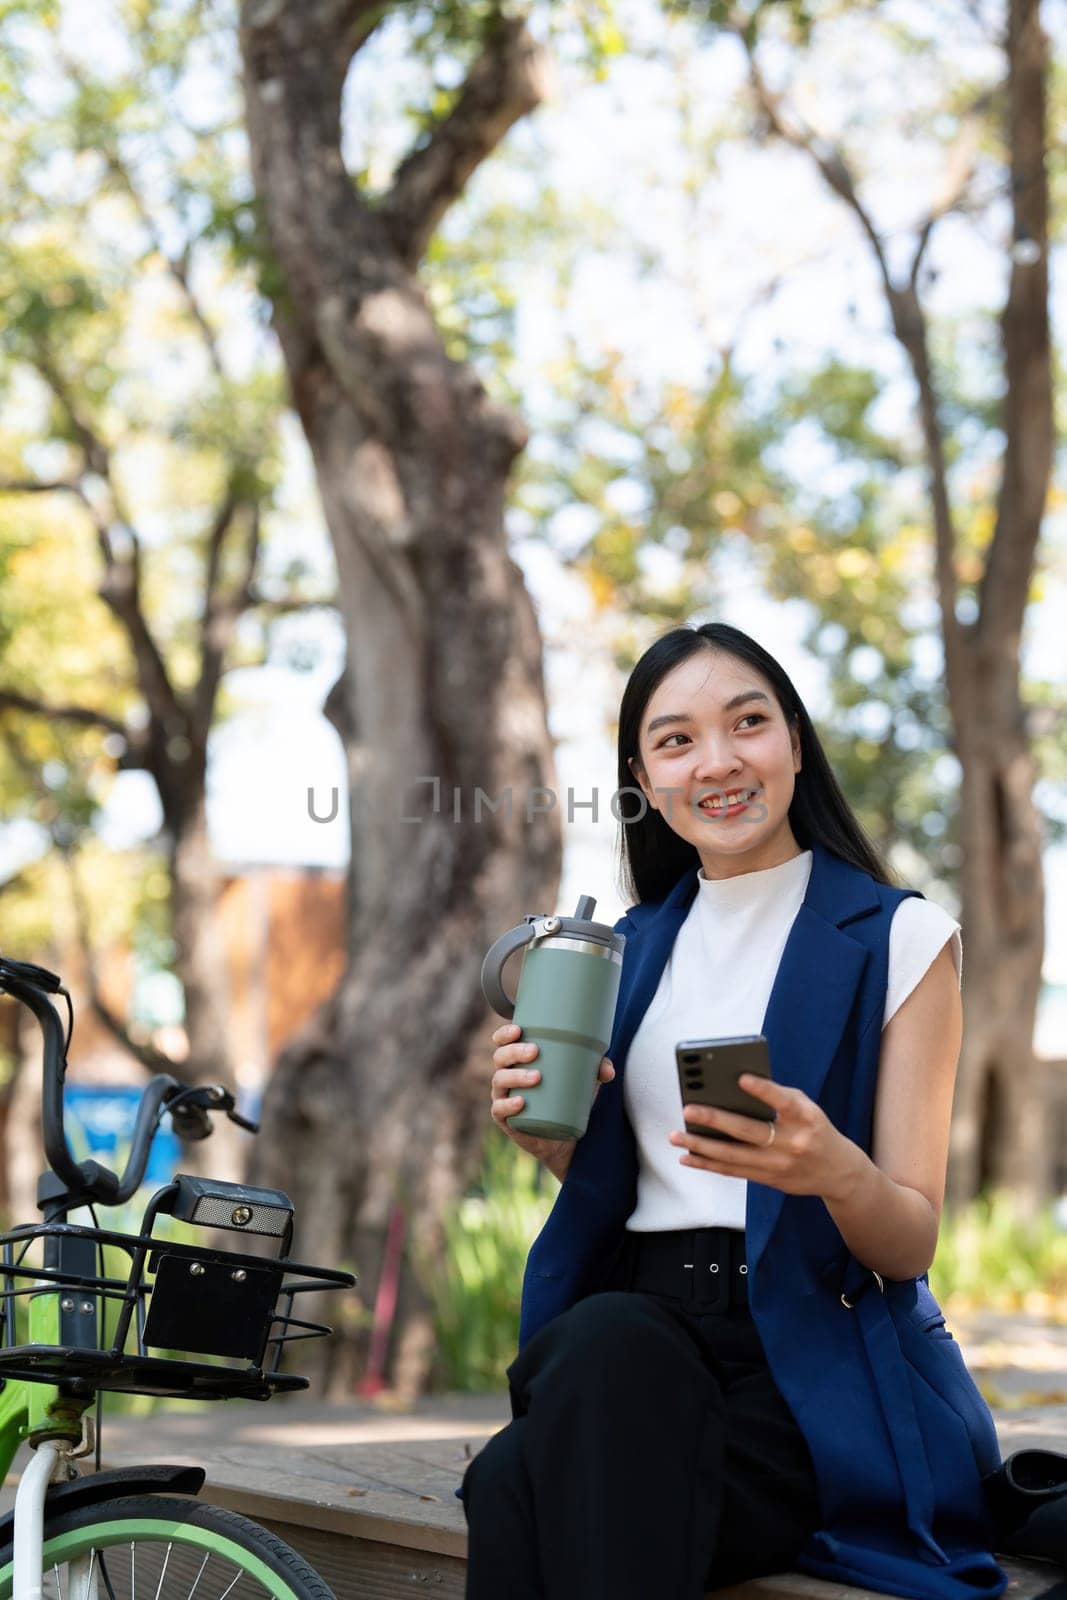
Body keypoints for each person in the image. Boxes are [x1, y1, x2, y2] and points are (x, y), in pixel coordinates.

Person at [459, 622, 1008, 1600]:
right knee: (603, 1352)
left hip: (808, 1367)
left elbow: (909, 1240)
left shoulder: (899, 937)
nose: (715, 761)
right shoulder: (621, 951)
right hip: (636, 1335)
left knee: (516, 1481)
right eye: (674, 740)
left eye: (745, 723)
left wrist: (831, 1170)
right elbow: (629, 1185)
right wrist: (553, 1144)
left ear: (793, 741)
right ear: (640, 776)